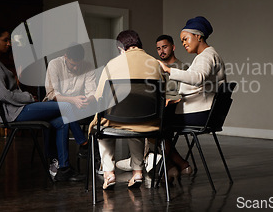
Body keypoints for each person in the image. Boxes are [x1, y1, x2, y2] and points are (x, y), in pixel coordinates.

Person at [0, 27, 86, 182]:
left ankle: (64, 168)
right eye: (5, 40)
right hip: (16, 112)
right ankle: (84, 143)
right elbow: (3, 94)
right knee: (67, 106)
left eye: (9, 40)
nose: (9, 44)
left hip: (19, 109)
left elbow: (8, 90)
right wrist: (28, 97)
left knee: (63, 121)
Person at [89, 30, 163, 190]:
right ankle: (137, 172)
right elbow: (163, 93)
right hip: (148, 121)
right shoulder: (155, 63)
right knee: (136, 125)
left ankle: (109, 173)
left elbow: (99, 97)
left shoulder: (112, 64)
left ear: (121, 48)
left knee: (103, 126)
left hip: (116, 120)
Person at [157, 16, 227, 183]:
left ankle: (170, 166)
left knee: (156, 123)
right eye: (182, 41)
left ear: (198, 36)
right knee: (163, 121)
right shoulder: (209, 54)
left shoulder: (206, 56)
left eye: (186, 39)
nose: (184, 43)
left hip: (200, 114)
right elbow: (201, 88)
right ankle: (177, 165)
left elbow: (198, 77)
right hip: (206, 113)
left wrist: (168, 70)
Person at [115, 34, 188, 173]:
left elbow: (185, 94)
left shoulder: (181, 68)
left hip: (174, 109)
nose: (161, 51)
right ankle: (154, 160)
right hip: (157, 107)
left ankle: (161, 162)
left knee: (149, 124)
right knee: (144, 116)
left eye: (164, 47)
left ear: (173, 47)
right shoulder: (155, 66)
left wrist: (170, 100)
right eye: (158, 48)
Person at [44, 43, 97, 158]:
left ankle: (97, 159)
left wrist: (87, 100)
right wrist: (73, 100)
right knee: (65, 111)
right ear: (65, 57)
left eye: (78, 65)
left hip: (78, 105)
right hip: (56, 105)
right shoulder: (54, 64)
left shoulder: (87, 66)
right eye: (73, 65)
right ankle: (83, 142)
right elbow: (52, 94)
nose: (76, 68)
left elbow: (93, 93)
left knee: (96, 109)